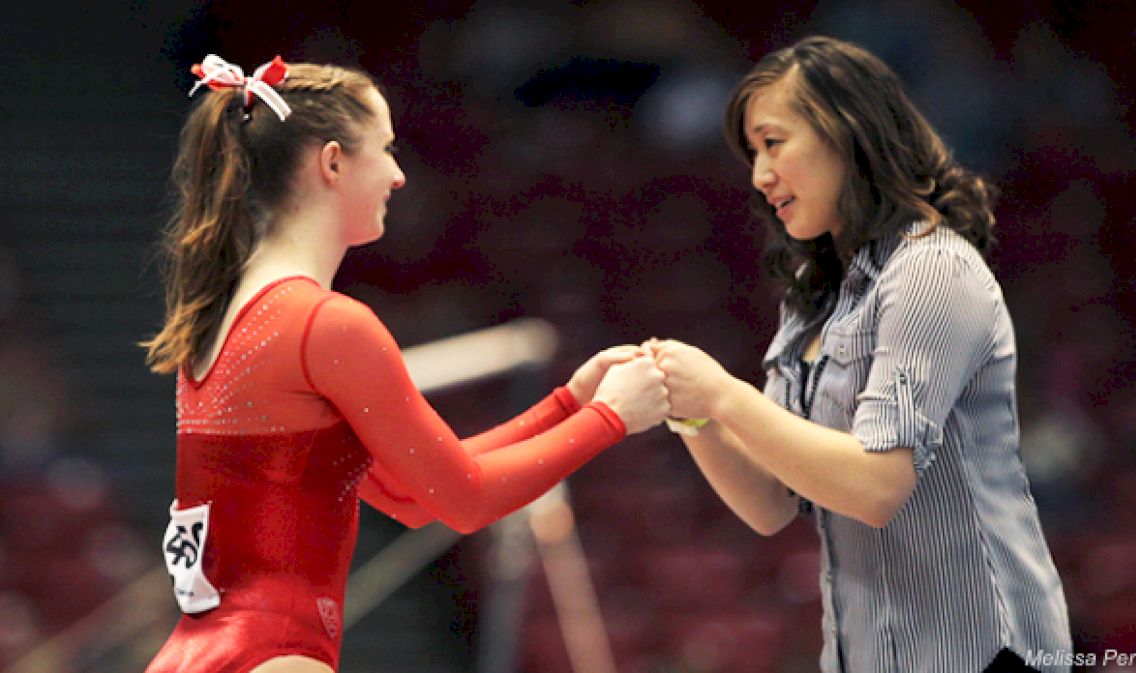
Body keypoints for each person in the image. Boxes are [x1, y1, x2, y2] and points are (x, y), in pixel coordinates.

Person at [140, 55, 669, 673]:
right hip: (276, 655)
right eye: (386, 150)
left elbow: (414, 496)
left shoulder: (223, 316)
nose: (398, 176)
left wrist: (568, 405)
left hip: (195, 656)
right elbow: (466, 501)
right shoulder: (326, 325)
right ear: (333, 162)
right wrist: (610, 419)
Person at [648, 36, 1072, 672]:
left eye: (773, 144)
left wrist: (722, 393)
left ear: (846, 133)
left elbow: (876, 486)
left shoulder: (931, 269)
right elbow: (770, 503)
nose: (760, 176)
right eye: (751, 154)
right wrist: (692, 413)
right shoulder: (814, 298)